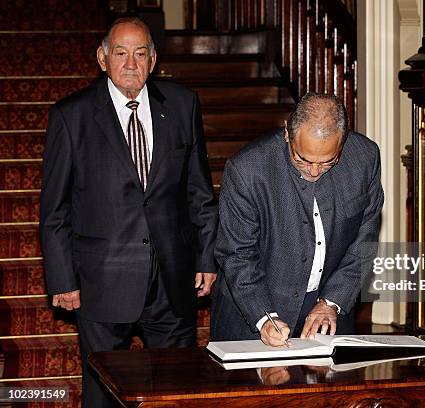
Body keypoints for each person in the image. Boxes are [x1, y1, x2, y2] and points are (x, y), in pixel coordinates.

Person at [39, 18, 218, 407]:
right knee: (102, 392)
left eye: (140, 53)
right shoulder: (71, 116)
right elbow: (54, 209)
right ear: (103, 58)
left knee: (175, 390)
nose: (130, 63)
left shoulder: (184, 105)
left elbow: (199, 191)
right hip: (102, 279)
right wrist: (62, 278)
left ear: (153, 59)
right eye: (120, 53)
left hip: (173, 278)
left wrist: (206, 256)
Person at [211, 93, 384, 346]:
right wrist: (264, 317)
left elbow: (364, 240)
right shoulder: (248, 169)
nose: (314, 171)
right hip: (252, 312)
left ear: (343, 142)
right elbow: (237, 254)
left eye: (327, 162)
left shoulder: (364, 158)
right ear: (287, 134)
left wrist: (331, 301)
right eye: (302, 159)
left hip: (328, 312)